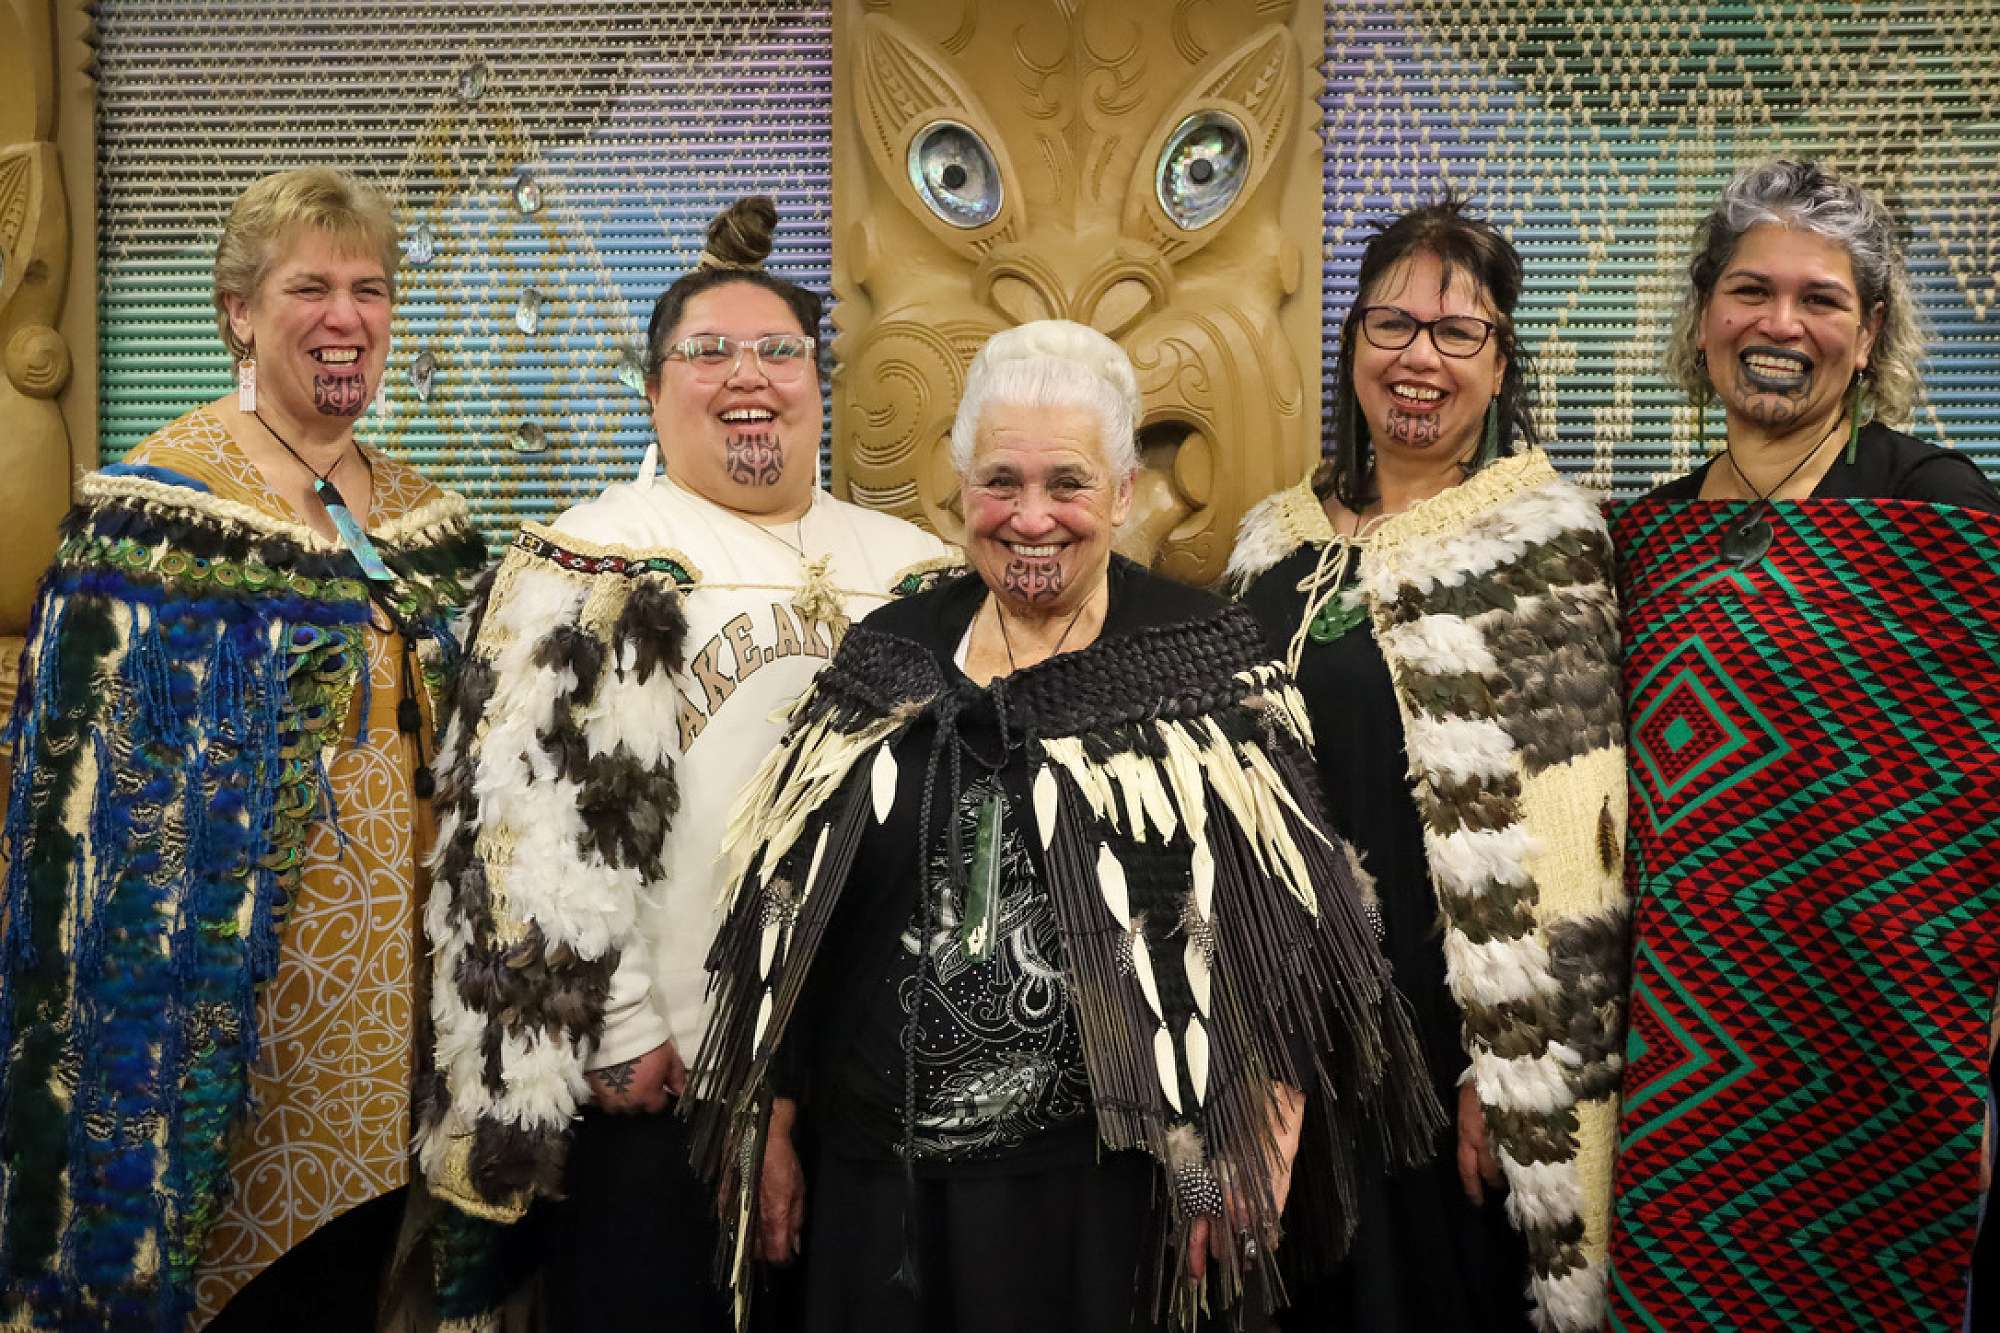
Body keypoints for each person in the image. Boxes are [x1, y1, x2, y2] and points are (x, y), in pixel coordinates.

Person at [687, 318, 1441, 1333]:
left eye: (1067, 483)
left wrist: (1255, 1134)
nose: (1031, 516)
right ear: (960, 489)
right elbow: (795, 907)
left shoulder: (1203, 656)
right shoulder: (888, 649)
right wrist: (771, 1114)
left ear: (1122, 492)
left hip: (1109, 1195)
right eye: (1000, 481)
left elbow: (1296, 932)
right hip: (880, 1189)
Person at [417, 197, 955, 1331]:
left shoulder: (916, 568)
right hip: (664, 1079)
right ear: (654, 391)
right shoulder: (590, 558)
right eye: (708, 352)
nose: (746, 374)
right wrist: (615, 1027)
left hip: (877, 1084)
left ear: (818, 384)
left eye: (778, 351)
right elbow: (512, 826)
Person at [0, 167, 487, 1330]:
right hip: (238, 1043)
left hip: (416, 1033)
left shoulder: (427, 519)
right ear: (238, 312)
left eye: (370, 289)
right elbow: (79, 818)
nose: (345, 317)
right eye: (309, 288)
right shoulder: (153, 517)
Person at [1605, 157, 2000, 1330]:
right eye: (1748, 290)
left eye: (1819, 298)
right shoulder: (1641, 541)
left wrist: (1979, 1061)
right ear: (1702, 319)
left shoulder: (1937, 512)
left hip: (1885, 1050)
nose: (1779, 324)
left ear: (1866, 335)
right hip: (1679, 1064)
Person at [1228, 197, 1628, 1333]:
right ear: (1353, 342)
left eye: (1458, 332)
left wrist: (1503, 1069)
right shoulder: (1271, 540)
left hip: (1445, 1030)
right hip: (1288, 1030)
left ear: (1499, 365)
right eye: (1391, 324)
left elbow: (1577, 837)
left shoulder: (1544, 543)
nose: (1419, 357)